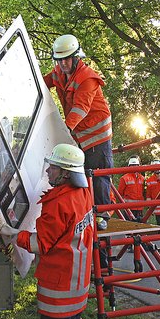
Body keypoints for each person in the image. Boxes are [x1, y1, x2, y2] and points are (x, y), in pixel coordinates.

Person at [0, 143, 94, 319]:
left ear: (66, 173)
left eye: (53, 167)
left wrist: (7, 231)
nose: (47, 171)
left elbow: (40, 244)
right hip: (78, 287)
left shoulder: (59, 203)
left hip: (59, 290)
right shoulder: (83, 194)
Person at [43, 34, 113, 231]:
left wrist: (64, 132)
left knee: (98, 174)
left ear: (76, 57)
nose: (63, 63)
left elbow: (80, 109)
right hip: (79, 134)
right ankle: (85, 211)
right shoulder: (59, 72)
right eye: (59, 59)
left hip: (97, 135)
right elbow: (42, 84)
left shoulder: (88, 78)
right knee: (80, 174)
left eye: (67, 59)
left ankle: (102, 215)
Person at [118, 156, 145, 220]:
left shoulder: (142, 178)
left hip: (140, 208)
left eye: (136, 165)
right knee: (129, 226)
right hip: (128, 208)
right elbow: (119, 193)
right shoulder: (124, 178)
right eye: (133, 165)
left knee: (140, 227)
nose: (134, 167)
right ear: (129, 166)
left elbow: (144, 192)